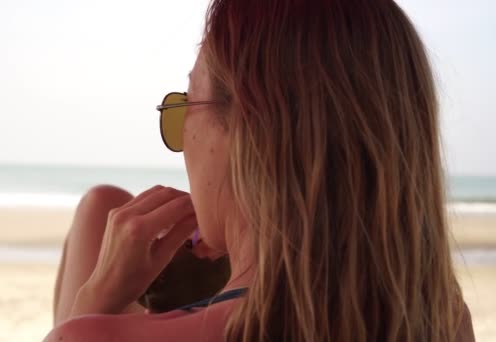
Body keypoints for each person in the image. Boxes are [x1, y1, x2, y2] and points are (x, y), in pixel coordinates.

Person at [46, 0, 476, 340]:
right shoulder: (445, 321)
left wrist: (91, 305)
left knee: (100, 205)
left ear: (251, 134)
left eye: (184, 106)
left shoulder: (93, 334)